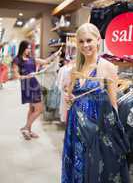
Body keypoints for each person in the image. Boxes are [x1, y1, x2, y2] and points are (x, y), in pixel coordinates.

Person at [61, 23, 130, 183]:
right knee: (77, 165)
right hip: (75, 126)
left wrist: (116, 137)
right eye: (81, 42)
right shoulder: (74, 69)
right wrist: (69, 99)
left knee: (94, 169)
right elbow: (72, 98)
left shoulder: (108, 67)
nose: (85, 45)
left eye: (89, 40)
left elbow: (113, 104)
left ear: (98, 40)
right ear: (77, 44)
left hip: (97, 128)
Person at [13, 40, 60, 140]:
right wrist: (26, 77)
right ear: (22, 48)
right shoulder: (17, 60)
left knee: (32, 109)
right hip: (27, 86)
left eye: (30, 48)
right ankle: (26, 128)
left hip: (35, 85)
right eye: (27, 48)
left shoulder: (32, 59)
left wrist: (55, 55)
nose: (29, 50)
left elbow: (46, 61)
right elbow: (16, 76)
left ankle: (28, 130)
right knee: (39, 109)